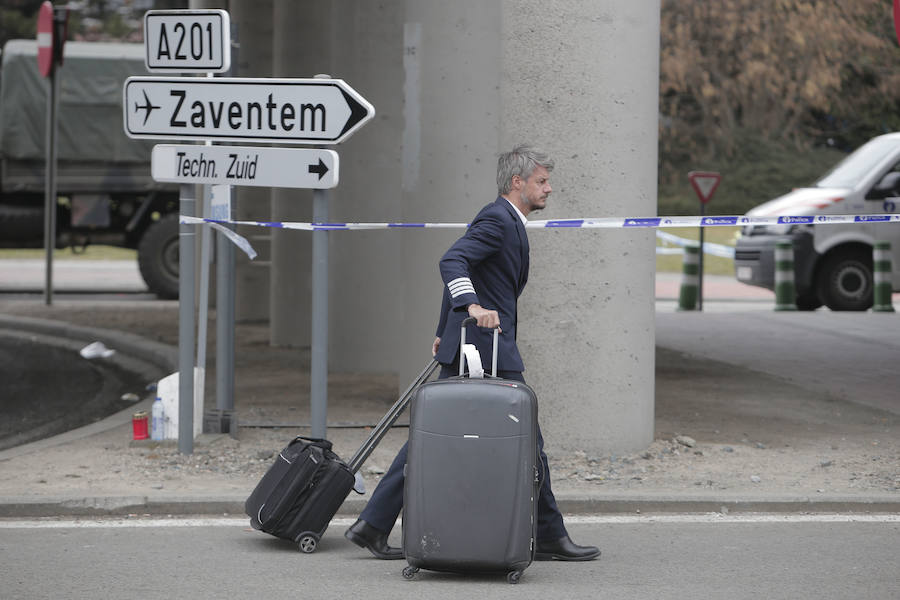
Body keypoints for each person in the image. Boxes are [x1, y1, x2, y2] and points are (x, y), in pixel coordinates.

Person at [345, 144, 600, 562]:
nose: (549, 189)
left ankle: (372, 524)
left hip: (470, 344)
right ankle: (551, 534)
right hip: (486, 349)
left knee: (427, 440)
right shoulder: (498, 219)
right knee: (528, 442)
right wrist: (472, 309)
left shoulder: (504, 220)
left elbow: (468, 269)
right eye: (541, 181)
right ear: (516, 183)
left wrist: (443, 329)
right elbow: (454, 260)